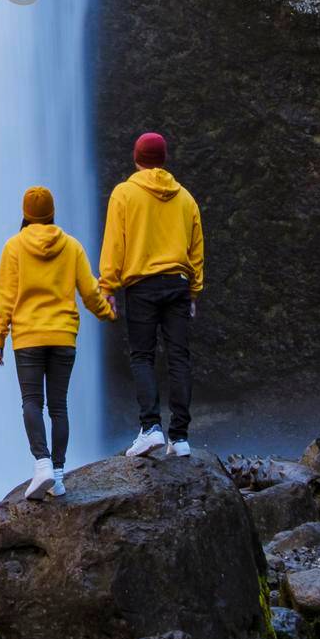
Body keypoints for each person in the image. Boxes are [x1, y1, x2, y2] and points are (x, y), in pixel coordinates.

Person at [0, 185, 116, 500]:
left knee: (32, 402)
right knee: (59, 406)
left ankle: (42, 463)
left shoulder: (13, 247)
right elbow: (89, 291)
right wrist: (107, 314)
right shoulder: (71, 246)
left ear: (25, 214)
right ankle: (58, 476)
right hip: (63, 337)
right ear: (51, 213)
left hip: (28, 338)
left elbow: (6, 297)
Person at [99, 132, 204, 460]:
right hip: (177, 283)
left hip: (141, 286)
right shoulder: (185, 198)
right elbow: (196, 248)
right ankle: (181, 436)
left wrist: (107, 287)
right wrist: (195, 290)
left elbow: (115, 243)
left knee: (142, 355)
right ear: (164, 159)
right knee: (178, 357)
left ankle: (150, 428)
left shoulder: (124, 194)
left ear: (136, 158)